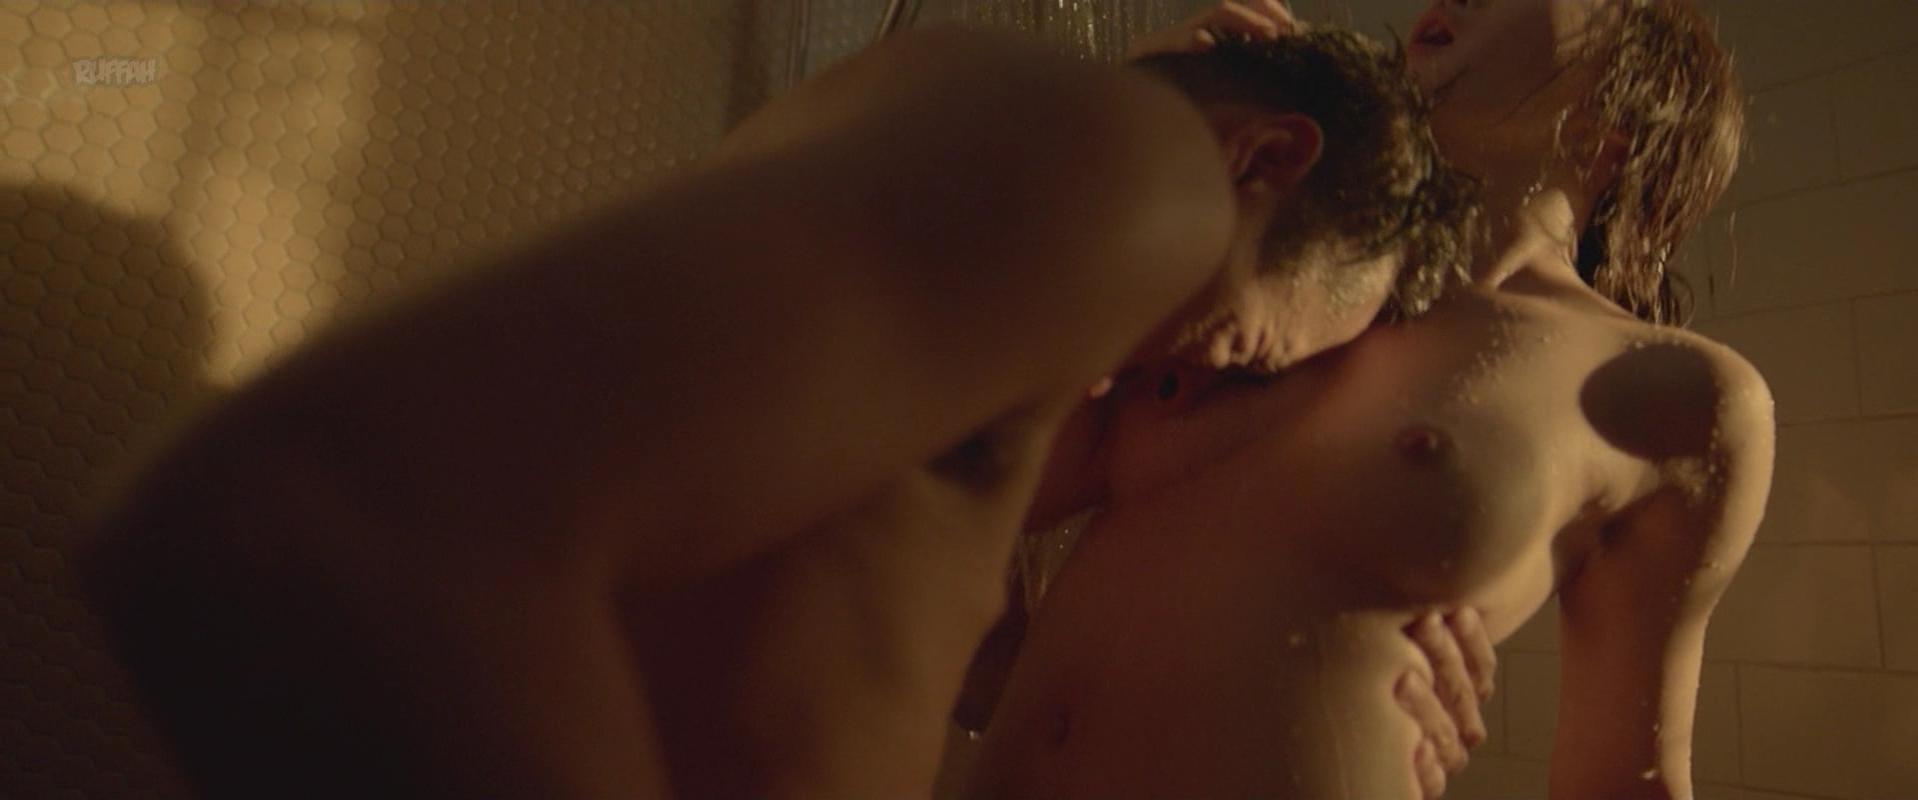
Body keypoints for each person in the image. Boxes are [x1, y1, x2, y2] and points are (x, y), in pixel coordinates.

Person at [75, 23, 1488, 800]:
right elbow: (327, 516)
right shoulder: (1127, 165)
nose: (1179, 383)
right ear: (1261, 157)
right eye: (1234, 352)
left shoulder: (916, 149)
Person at [963, 1, 1771, 798]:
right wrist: (1136, 131)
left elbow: (1622, 785)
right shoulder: (1258, 270)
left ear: (1618, 116)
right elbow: (953, 495)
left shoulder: (1664, 388)